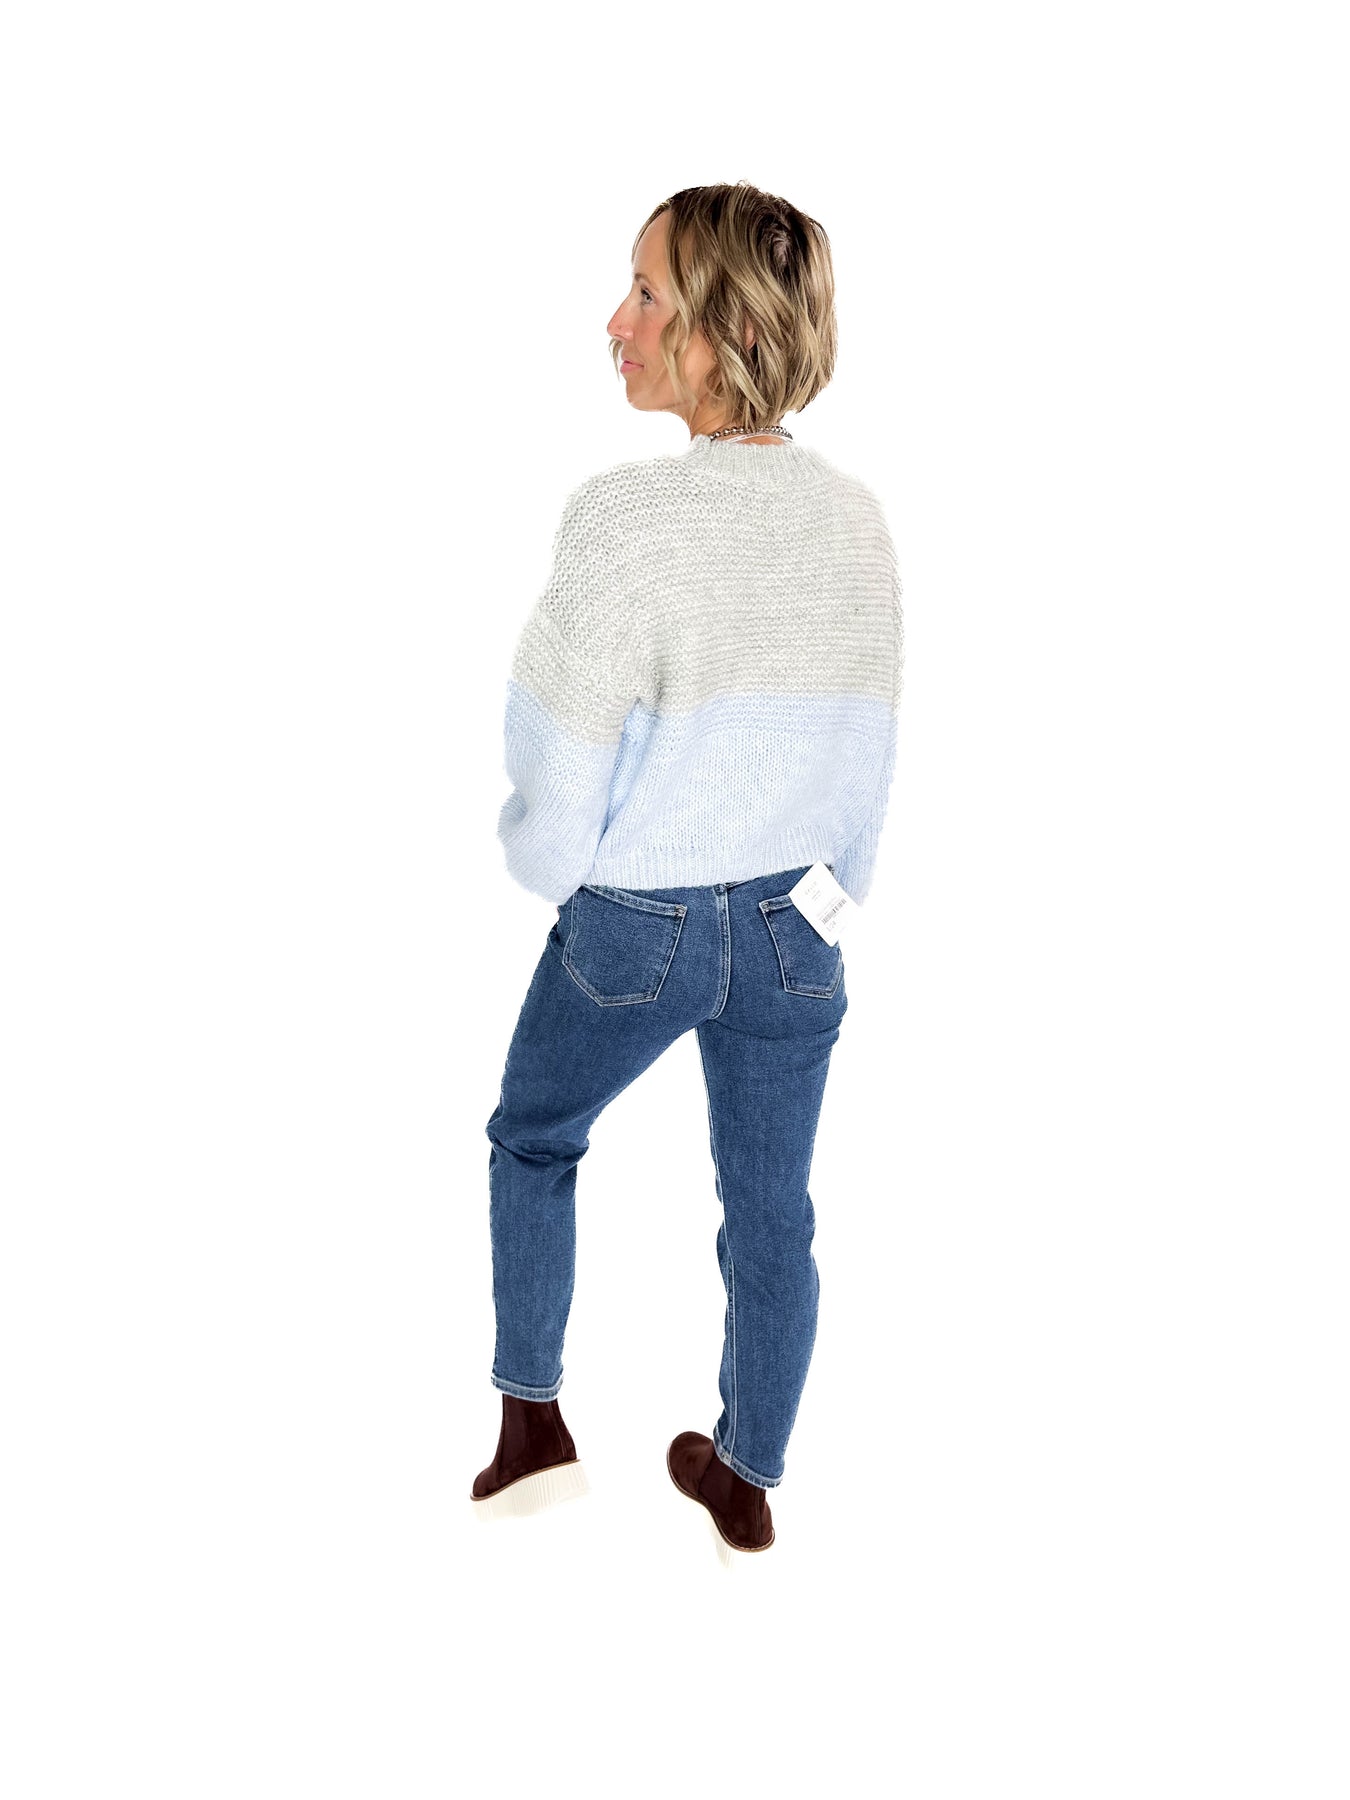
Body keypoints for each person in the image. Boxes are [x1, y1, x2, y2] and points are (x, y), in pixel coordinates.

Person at [470, 182, 905, 1562]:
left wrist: (557, 874)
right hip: (795, 929)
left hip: (637, 924)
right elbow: (867, 748)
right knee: (772, 1209)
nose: (617, 322)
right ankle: (748, 1479)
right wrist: (832, 903)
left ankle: (532, 1432)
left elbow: (558, 753)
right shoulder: (857, 522)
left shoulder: (623, 519)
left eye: (649, 294)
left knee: (534, 1139)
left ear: (729, 332)